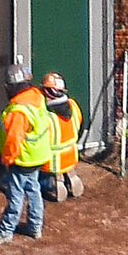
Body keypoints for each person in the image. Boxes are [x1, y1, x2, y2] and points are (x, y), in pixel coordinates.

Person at [0, 64, 52, 247]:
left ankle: (5, 231)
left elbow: (13, 140)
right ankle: (35, 226)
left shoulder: (18, 111)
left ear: (12, 86)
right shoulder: (37, 99)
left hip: (22, 160)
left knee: (16, 195)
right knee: (34, 190)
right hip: (36, 157)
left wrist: (6, 159)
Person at [39, 71, 85, 202]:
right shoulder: (73, 105)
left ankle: (57, 183)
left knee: (34, 181)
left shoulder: (46, 115)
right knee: (67, 167)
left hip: (51, 163)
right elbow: (81, 128)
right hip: (71, 156)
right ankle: (70, 176)